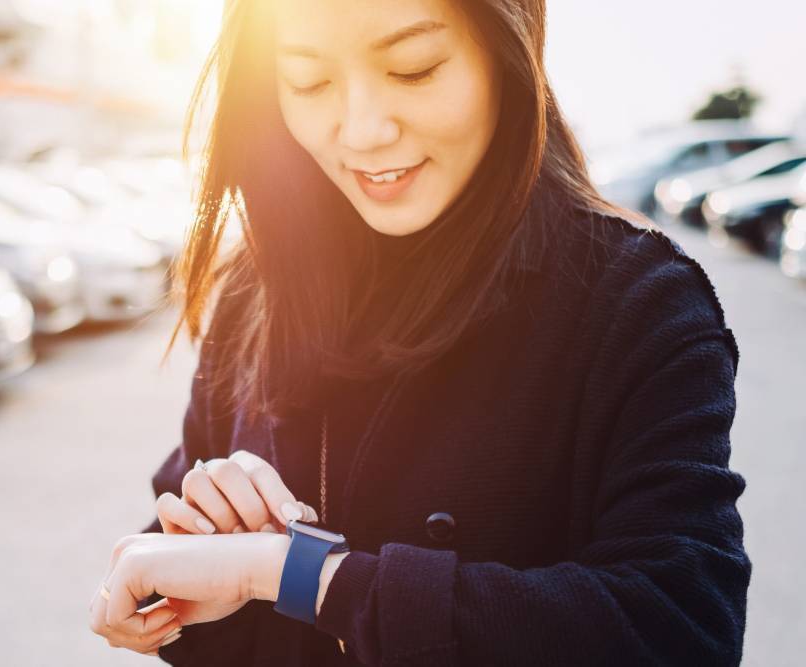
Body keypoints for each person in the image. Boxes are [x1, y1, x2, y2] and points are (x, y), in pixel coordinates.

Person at [88, 0, 750, 664]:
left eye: (413, 68)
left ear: (508, 53)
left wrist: (294, 573)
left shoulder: (637, 301)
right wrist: (187, 568)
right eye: (309, 82)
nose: (363, 131)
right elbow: (190, 577)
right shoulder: (256, 288)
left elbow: (681, 626)